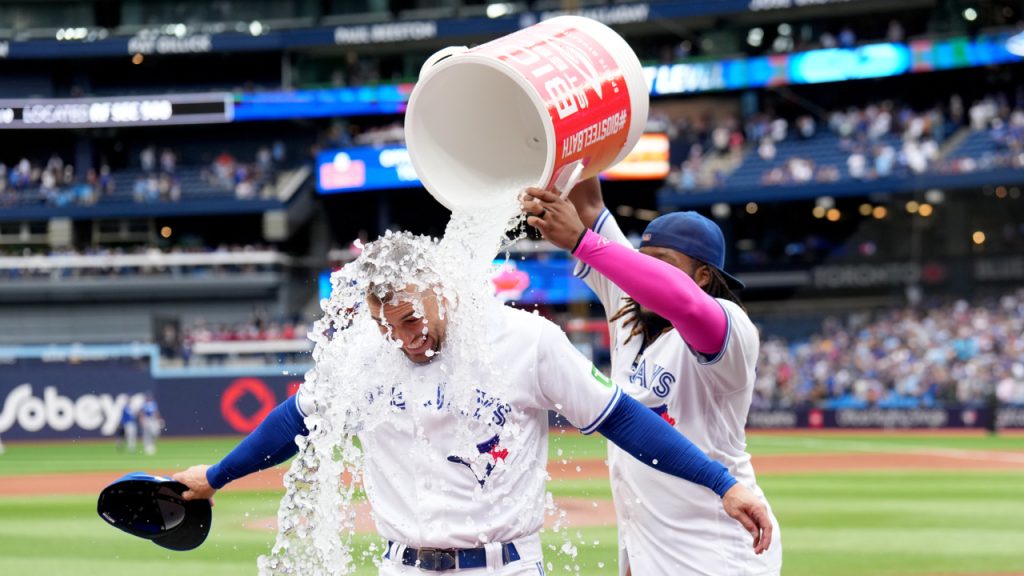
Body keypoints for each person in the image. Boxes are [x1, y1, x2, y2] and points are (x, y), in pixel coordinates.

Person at [173, 231, 772, 575]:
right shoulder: (364, 352)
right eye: (385, 324)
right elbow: (295, 422)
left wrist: (722, 483)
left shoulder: (524, 339)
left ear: (440, 289)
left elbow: (621, 418)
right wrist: (217, 476)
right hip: (402, 566)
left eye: (409, 317)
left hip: (503, 566)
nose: (401, 337)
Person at [521, 179, 783, 575]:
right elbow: (588, 205)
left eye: (663, 262)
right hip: (651, 551)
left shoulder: (730, 328)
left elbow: (686, 304)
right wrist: (565, 135)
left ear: (703, 278)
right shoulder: (629, 302)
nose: (644, 271)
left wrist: (582, 242)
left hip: (717, 551)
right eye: (643, 259)